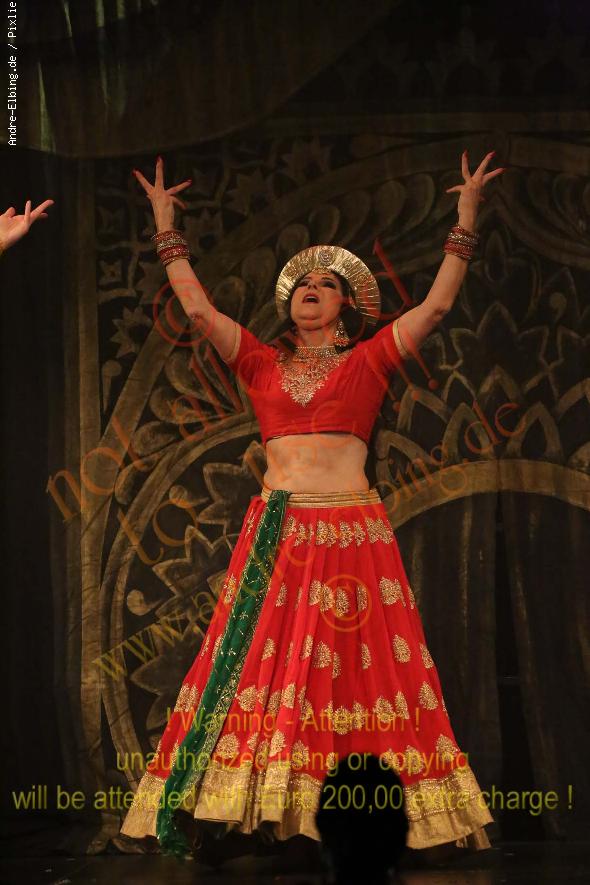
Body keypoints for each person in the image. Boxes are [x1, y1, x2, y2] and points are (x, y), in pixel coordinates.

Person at [119, 152, 504, 862]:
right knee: (264, 672)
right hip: (279, 531)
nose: (311, 289)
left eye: (327, 285)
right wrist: (166, 228)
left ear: (345, 308)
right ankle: (257, 813)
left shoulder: (368, 361)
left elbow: (437, 307)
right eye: (302, 283)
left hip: (352, 529)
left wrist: (465, 219)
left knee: (355, 672)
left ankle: (365, 818)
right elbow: (198, 310)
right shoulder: (260, 362)